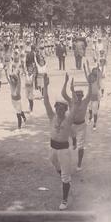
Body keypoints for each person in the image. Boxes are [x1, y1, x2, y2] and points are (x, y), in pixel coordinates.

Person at [43, 73, 76, 210]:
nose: (59, 110)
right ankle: (65, 178)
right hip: (52, 150)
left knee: (65, 176)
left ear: (66, 109)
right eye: (57, 107)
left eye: (62, 108)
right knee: (56, 165)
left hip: (64, 150)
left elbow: (73, 103)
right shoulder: (52, 116)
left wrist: (70, 88)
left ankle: (64, 200)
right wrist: (45, 85)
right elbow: (45, 101)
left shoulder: (69, 118)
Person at [61, 73, 92, 171]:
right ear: (74, 95)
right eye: (77, 95)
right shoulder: (71, 101)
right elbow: (63, 94)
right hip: (71, 125)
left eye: (80, 95)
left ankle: (79, 164)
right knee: (70, 139)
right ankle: (74, 141)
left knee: (81, 147)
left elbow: (90, 93)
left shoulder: (85, 101)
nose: (78, 97)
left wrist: (89, 82)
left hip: (82, 126)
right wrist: (66, 82)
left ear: (82, 96)